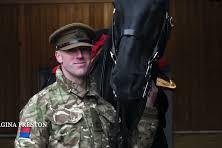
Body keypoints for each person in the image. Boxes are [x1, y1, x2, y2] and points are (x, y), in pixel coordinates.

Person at [14, 23, 159, 148]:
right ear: (58, 56)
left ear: (91, 54)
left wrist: (148, 109)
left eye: (84, 49)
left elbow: (133, 146)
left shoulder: (105, 105)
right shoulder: (39, 105)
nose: (79, 55)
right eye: (71, 50)